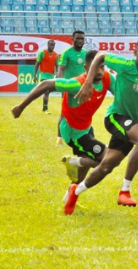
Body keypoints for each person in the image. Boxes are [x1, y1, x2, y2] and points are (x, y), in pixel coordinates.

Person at [63, 37, 138, 215]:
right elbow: (100, 55)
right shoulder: (124, 64)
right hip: (115, 117)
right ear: (135, 53)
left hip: (132, 123)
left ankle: (74, 192)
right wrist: (88, 81)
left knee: (106, 166)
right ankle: (125, 191)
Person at [11, 50, 115, 196]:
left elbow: (122, 95)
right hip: (72, 131)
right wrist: (21, 107)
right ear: (86, 68)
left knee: (84, 167)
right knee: (108, 159)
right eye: (94, 67)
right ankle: (73, 161)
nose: (99, 71)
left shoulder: (107, 78)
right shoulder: (76, 84)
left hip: (86, 128)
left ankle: (69, 199)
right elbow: (45, 84)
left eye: (102, 66)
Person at [56, 30, 87, 146]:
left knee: (83, 113)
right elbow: (60, 70)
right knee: (64, 113)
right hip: (69, 88)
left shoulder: (86, 53)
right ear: (72, 39)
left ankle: (79, 137)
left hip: (82, 88)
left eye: (82, 39)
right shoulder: (67, 53)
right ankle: (59, 138)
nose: (80, 41)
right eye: (78, 38)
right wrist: (62, 86)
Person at [33, 39, 58, 114]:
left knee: (48, 92)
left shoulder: (56, 55)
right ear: (48, 45)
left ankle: (44, 107)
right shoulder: (42, 53)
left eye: (53, 45)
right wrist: (35, 75)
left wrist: (58, 75)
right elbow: (37, 63)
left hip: (51, 76)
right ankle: (45, 108)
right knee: (46, 91)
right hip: (43, 75)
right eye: (51, 44)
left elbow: (57, 66)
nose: (52, 46)